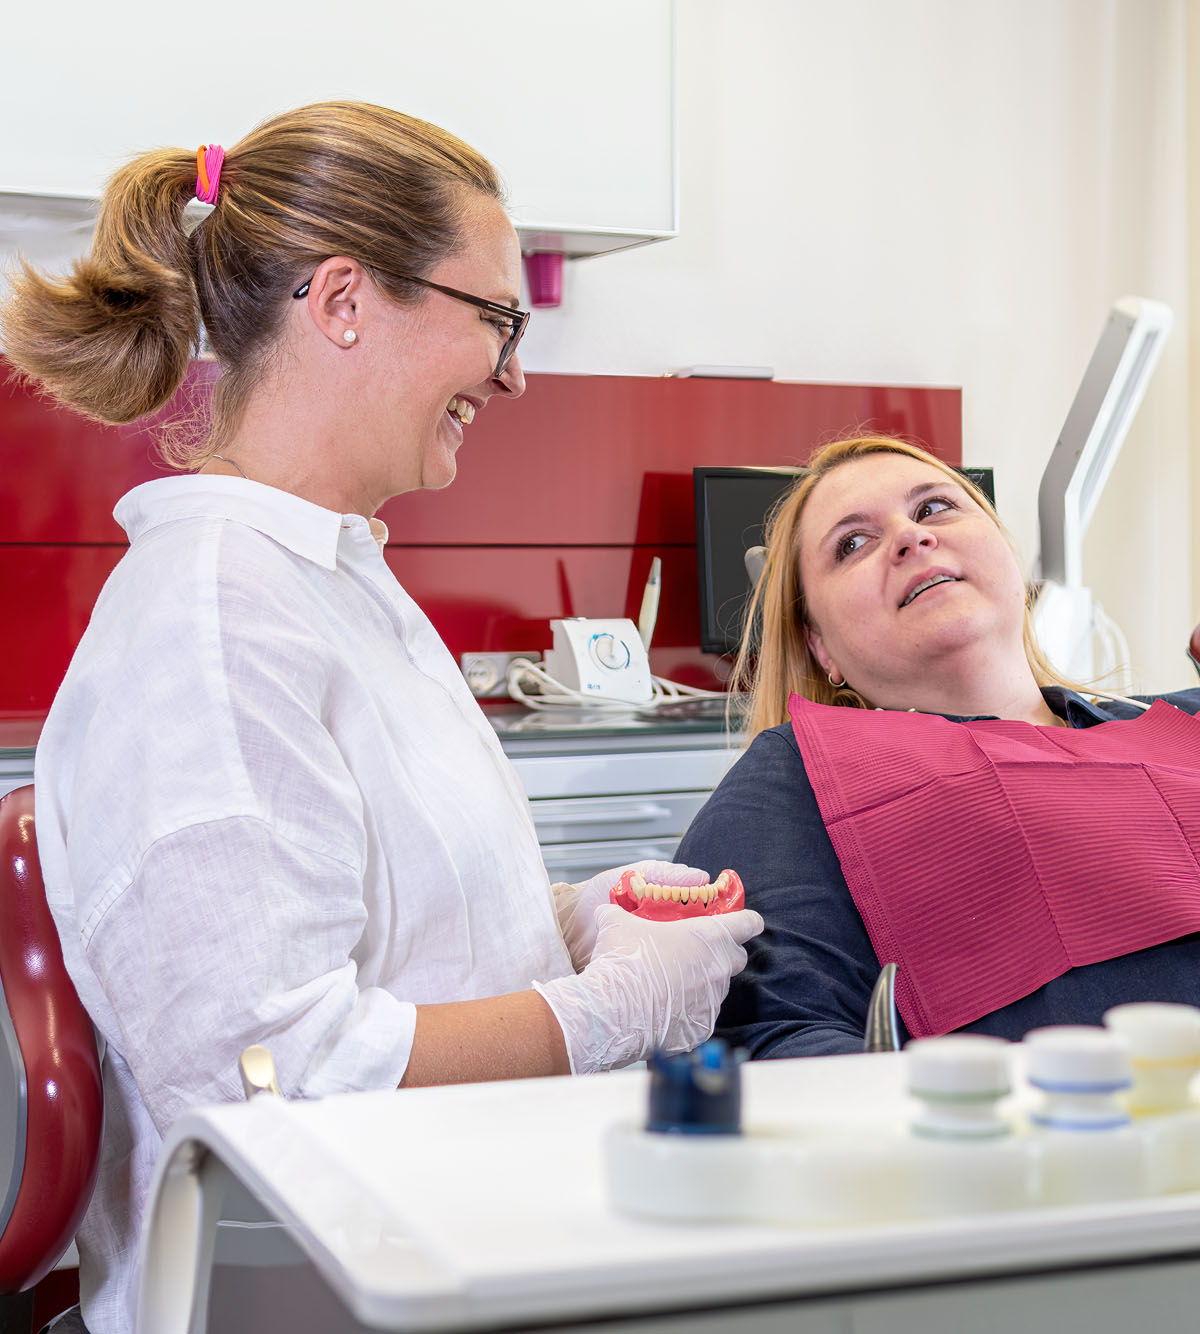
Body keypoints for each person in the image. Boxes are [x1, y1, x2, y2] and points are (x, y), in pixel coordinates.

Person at [0, 103, 762, 1333]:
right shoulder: (212, 618)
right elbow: (275, 1076)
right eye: (498, 319)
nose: (514, 371)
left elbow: (390, 928)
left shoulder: (330, 580)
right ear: (345, 300)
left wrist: (572, 920)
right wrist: (608, 1008)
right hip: (305, 1290)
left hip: (440, 1235)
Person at [676, 434, 1200, 1059]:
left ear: (1008, 555)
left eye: (933, 509)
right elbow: (774, 1046)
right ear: (821, 648)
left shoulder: (1179, 716)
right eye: (852, 544)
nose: (910, 537)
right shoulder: (792, 782)